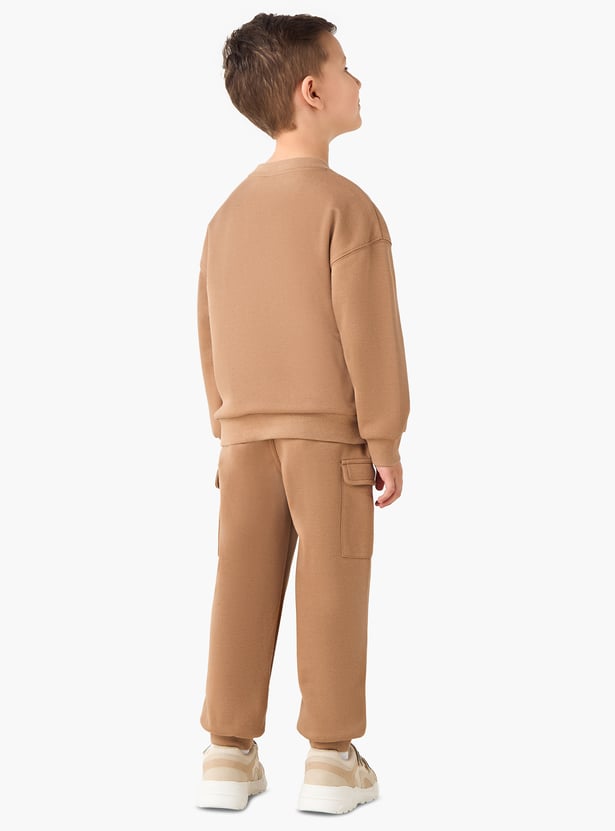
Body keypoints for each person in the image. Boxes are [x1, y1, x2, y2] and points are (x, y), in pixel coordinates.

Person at [195, 12, 410, 814]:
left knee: (240, 588)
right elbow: (369, 333)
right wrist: (383, 435)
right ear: (312, 92)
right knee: (331, 586)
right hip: (329, 442)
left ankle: (225, 752)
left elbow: (209, 331)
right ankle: (329, 757)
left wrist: (226, 424)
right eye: (346, 67)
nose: (358, 80)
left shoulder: (225, 215)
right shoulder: (346, 208)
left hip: (243, 437)